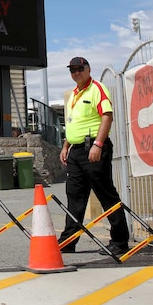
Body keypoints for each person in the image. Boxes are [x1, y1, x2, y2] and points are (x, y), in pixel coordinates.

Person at [58, 56, 130, 255]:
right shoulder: (74, 94)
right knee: (74, 196)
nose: (76, 73)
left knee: (105, 194)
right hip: (75, 150)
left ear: (88, 69)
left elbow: (107, 115)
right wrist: (66, 147)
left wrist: (98, 144)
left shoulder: (97, 89)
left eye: (80, 68)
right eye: (72, 70)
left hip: (93, 148)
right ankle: (68, 241)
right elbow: (73, 124)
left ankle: (120, 241)